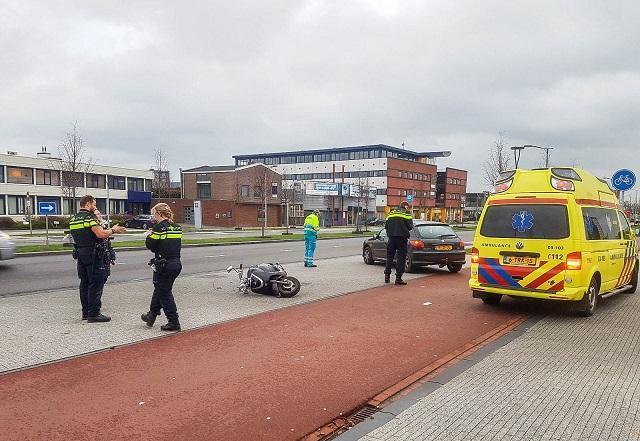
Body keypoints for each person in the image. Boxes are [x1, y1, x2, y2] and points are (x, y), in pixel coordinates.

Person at [69, 195, 126, 322]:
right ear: (88, 204)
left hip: (81, 254)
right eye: (94, 204)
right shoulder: (89, 218)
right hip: (93, 254)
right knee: (96, 283)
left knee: (84, 283)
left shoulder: (74, 219)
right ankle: (94, 313)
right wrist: (113, 230)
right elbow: (100, 234)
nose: (95, 207)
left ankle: (86, 312)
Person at [141, 203, 183, 331]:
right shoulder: (177, 227)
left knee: (165, 293)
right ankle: (151, 315)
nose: (153, 217)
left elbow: (151, 246)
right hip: (176, 264)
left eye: (154, 214)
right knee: (160, 289)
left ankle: (173, 321)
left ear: (159, 214)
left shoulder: (159, 228)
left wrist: (148, 235)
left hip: (163, 265)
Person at [384, 201, 413, 285]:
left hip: (391, 238)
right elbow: (410, 227)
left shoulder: (391, 213)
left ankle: (387, 276)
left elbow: (386, 226)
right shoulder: (406, 213)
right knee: (401, 258)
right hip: (401, 238)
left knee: (389, 257)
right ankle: (398, 278)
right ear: (406, 207)